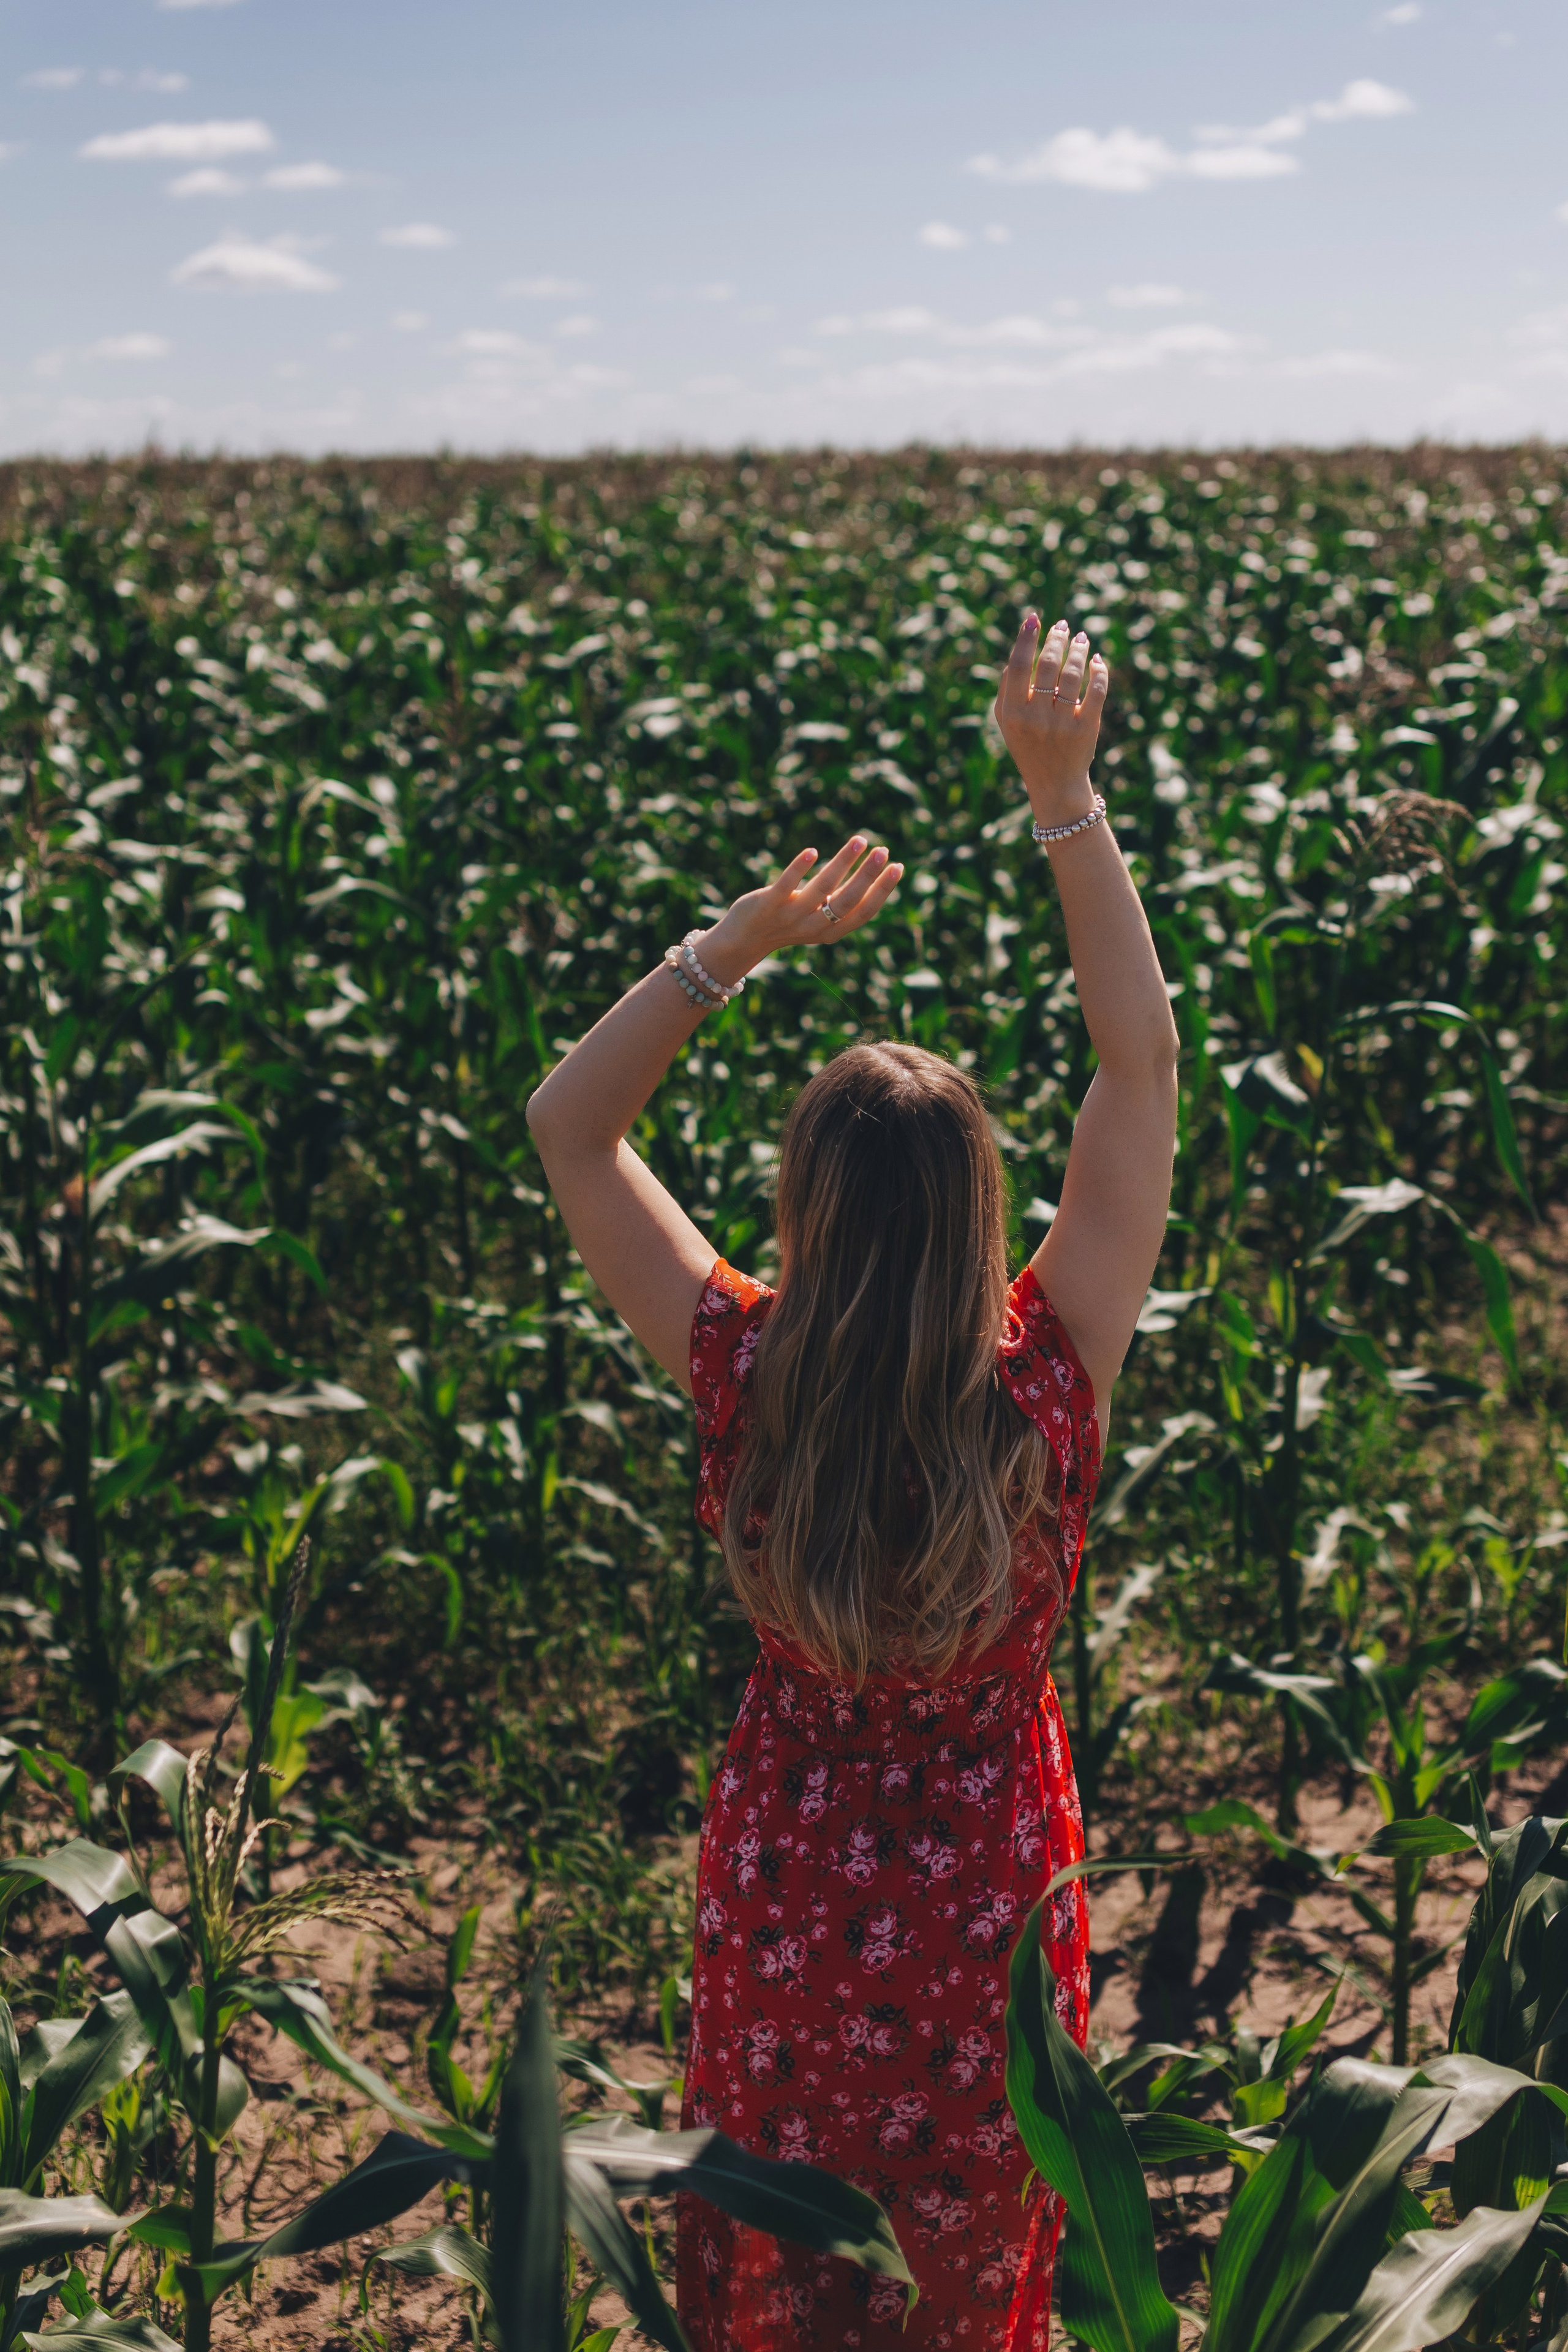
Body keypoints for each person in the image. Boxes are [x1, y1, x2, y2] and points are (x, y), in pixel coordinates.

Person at [526, 615, 1179, 2350]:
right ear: (984, 1204)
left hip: (791, 1897)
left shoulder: (744, 1370)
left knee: (787, 2258)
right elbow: (1141, 1065)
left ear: (801, 1204)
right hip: (986, 1901)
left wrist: (732, 946)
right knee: (971, 2261)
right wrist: (1064, 799)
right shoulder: (1045, 1379)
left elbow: (569, 1127)